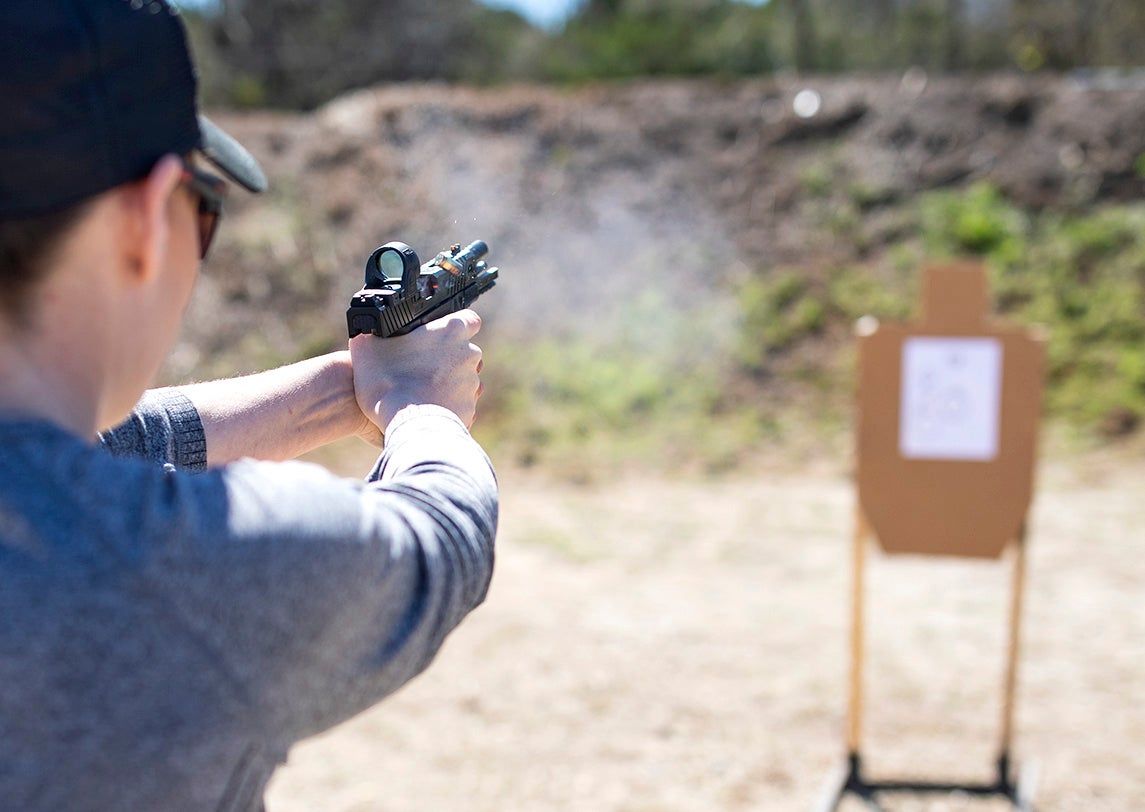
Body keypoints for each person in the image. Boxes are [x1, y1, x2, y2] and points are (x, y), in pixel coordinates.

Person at [0, 2, 498, 810]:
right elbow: (441, 545)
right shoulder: (178, 568)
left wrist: (352, 386)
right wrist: (421, 413)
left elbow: (88, 449)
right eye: (201, 212)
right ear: (142, 217)